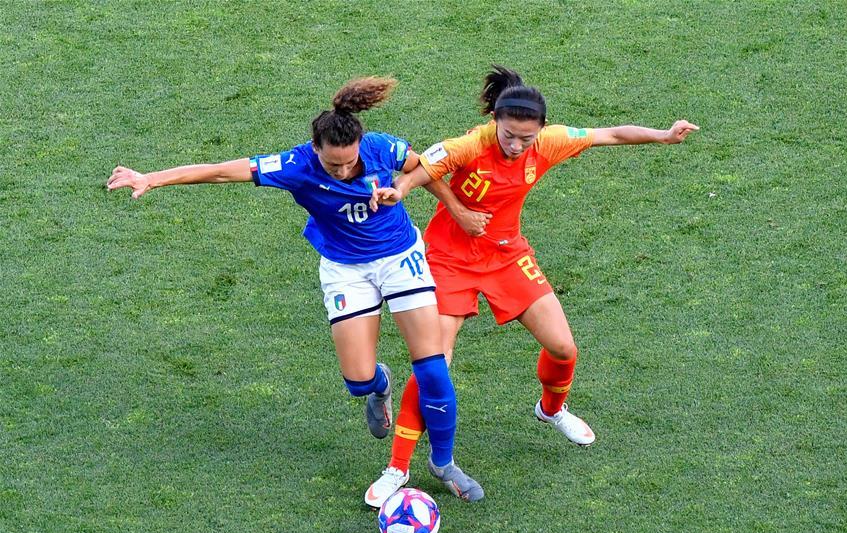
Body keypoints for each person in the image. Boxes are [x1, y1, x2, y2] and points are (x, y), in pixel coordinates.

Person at [106, 77, 484, 509]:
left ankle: (443, 463)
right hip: (345, 271)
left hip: (400, 258)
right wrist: (152, 178)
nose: (343, 171)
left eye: (349, 163)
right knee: (358, 381)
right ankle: (381, 388)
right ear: (315, 149)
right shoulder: (295, 165)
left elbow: (425, 168)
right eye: (333, 165)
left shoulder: (382, 146)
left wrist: (418, 195)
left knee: (433, 368)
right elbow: (221, 171)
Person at [368, 66, 699, 499]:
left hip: (507, 255)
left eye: (526, 138)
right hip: (449, 259)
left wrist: (663, 135)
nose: (516, 145)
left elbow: (610, 135)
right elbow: (423, 168)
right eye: (509, 135)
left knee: (564, 347)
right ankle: (397, 468)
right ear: (495, 123)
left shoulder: (549, 142)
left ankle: (551, 409)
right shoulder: (472, 143)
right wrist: (401, 190)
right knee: (435, 365)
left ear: (540, 130)